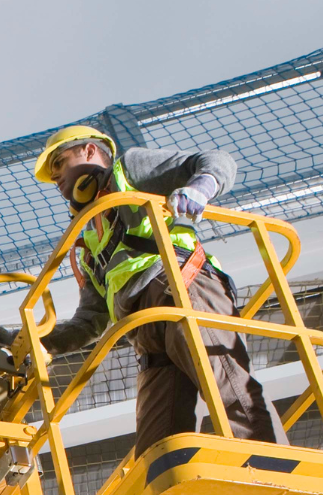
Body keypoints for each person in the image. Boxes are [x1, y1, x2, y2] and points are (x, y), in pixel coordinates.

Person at [20, 125, 285, 455]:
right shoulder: (88, 242)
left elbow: (216, 160)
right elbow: (89, 322)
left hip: (183, 290)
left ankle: (274, 469)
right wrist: (29, 340)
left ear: (88, 151)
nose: (57, 179)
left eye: (59, 163)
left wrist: (199, 189)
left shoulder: (128, 171)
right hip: (145, 333)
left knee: (229, 387)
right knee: (158, 442)